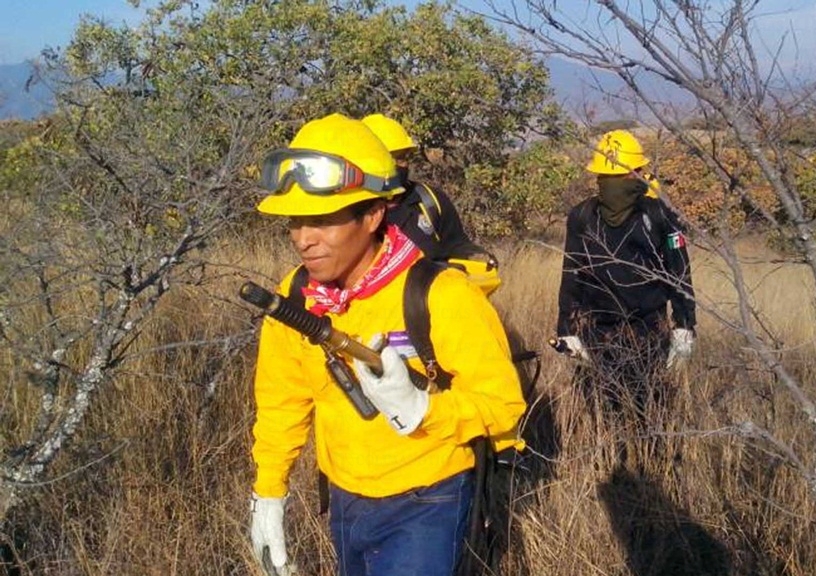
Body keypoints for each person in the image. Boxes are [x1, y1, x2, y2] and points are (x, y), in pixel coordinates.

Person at [248, 113, 526, 576]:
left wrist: (424, 411)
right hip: (345, 500)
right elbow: (282, 403)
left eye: (323, 220)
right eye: (295, 221)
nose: (303, 239)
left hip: (429, 499)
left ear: (374, 214)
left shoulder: (439, 293)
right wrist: (268, 494)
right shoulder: (296, 297)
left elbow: (503, 405)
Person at [555, 129, 697, 415]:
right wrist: (567, 331)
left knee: (634, 414)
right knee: (628, 415)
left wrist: (683, 326)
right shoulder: (584, 217)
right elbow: (573, 275)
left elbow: (570, 275)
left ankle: (634, 457)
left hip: (640, 335)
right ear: (636, 172)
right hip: (606, 335)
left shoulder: (656, 214)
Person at [361, 113, 489, 262]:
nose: (400, 165)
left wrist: (477, 258)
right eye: (391, 158)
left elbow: (458, 249)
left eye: (403, 157)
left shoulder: (429, 201)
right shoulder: (349, 214)